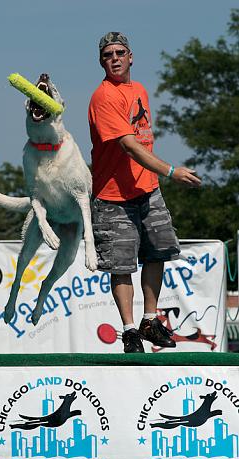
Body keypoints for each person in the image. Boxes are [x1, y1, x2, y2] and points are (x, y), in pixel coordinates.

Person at [88, 32, 201, 353]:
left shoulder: (139, 90)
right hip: (113, 196)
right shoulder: (103, 97)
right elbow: (129, 145)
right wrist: (170, 171)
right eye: (108, 54)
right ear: (102, 61)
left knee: (159, 251)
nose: (115, 58)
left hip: (147, 190)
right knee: (122, 266)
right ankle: (128, 330)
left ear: (131, 56)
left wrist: (156, 177)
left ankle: (149, 322)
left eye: (120, 52)